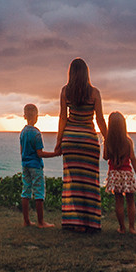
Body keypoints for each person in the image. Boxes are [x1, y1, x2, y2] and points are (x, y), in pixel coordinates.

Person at [53, 57, 106, 231]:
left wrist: (59, 141)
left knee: (73, 183)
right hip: (89, 141)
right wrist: (108, 139)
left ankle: (74, 222)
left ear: (71, 73)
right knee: (89, 183)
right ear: (86, 73)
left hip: (70, 141)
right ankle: (90, 222)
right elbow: (100, 119)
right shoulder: (94, 93)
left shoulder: (65, 91)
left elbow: (63, 117)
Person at [103, 111, 136, 234]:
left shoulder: (108, 142)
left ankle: (122, 228)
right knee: (130, 201)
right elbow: (133, 159)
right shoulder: (128, 141)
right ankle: (132, 227)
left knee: (118, 202)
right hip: (127, 174)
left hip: (114, 174)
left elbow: (105, 157)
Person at [19, 103, 58, 227]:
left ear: (25, 116)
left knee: (26, 191)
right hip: (35, 166)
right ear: (36, 117)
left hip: (25, 165)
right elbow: (40, 153)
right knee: (39, 192)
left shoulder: (23, 132)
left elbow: (21, 151)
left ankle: (26, 221)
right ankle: (41, 222)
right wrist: (55, 154)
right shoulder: (36, 133)